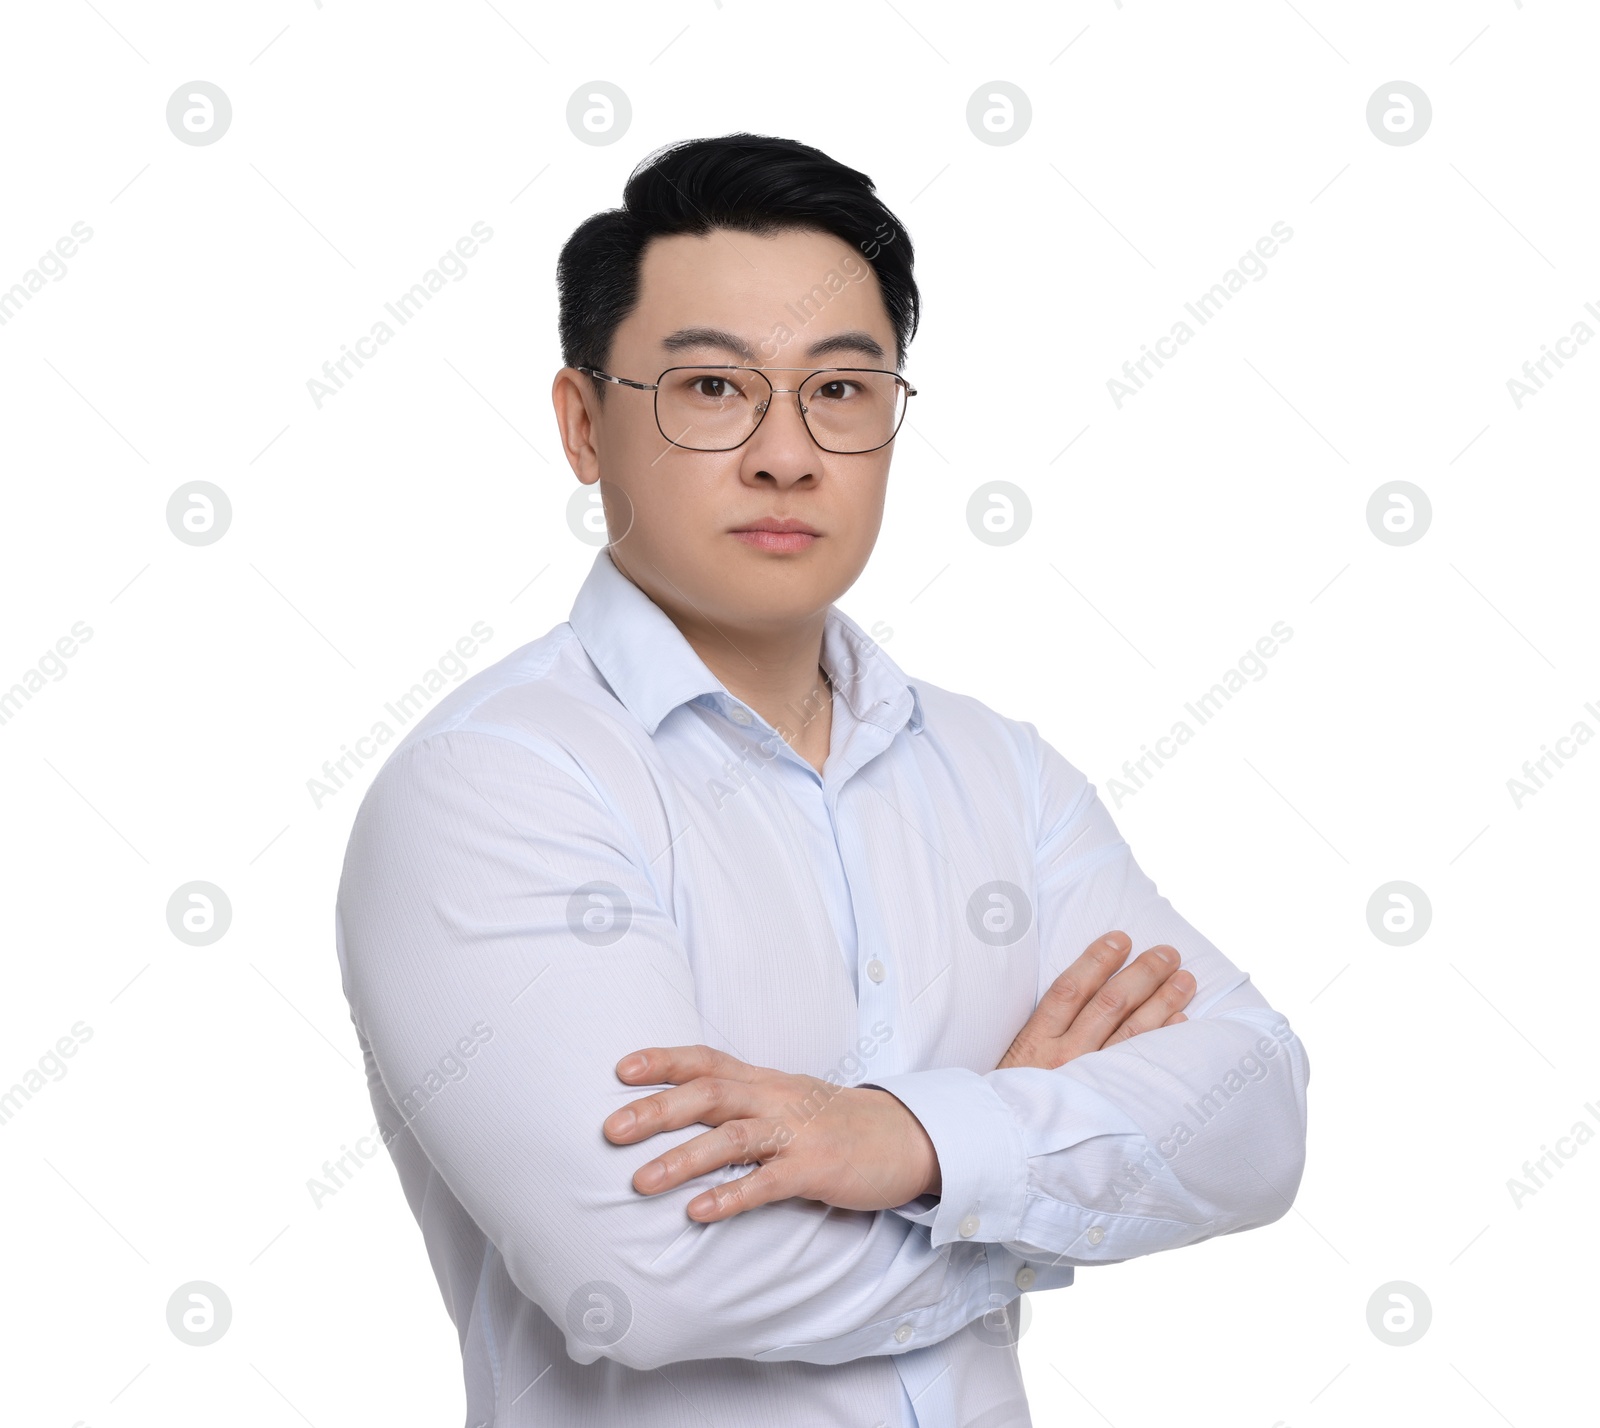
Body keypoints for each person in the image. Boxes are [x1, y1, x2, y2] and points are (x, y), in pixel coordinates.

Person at [334, 132, 1310, 1428]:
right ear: (584, 425)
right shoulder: (496, 788)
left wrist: (902, 1140)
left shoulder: (997, 774)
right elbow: (652, 1277)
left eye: (842, 392)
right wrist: (1018, 1161)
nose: (787, 454)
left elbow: (1257, 1108)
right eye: (712, 390)